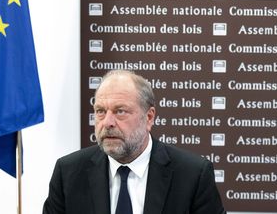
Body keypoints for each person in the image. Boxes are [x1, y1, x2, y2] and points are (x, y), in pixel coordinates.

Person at [43, 70, 226, 214]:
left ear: (149, 117)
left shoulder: (192, 175)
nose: (107, 122)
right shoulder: (68, 173)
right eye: (100, 111)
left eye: (120, 111)